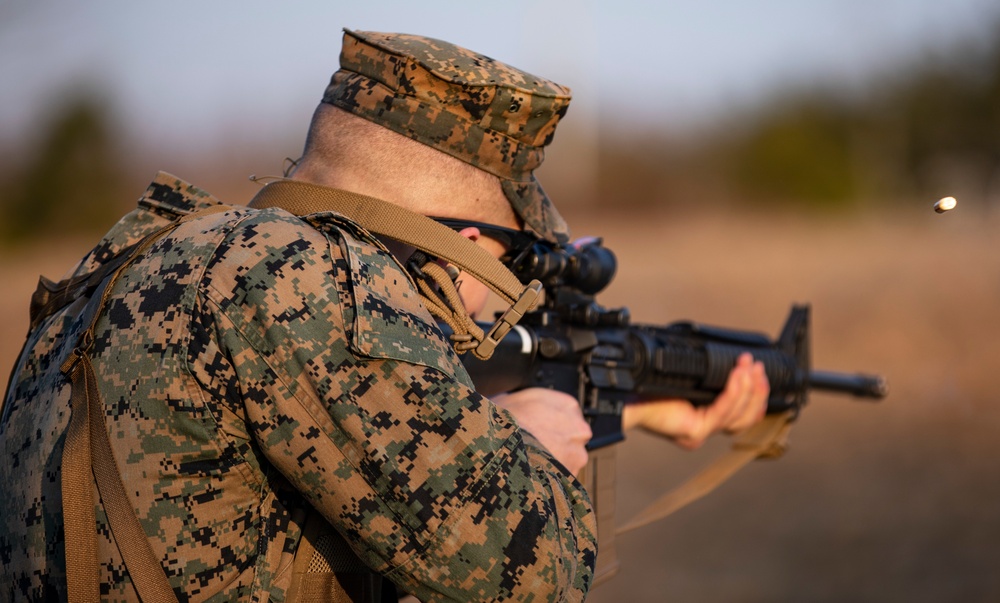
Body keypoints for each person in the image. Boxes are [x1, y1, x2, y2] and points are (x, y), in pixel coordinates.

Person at [0, 29, 768, 602]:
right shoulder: (308, 278)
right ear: (469, 244)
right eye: (507, 270)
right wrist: (529, 441)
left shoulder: (147, 257)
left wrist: (626, 413)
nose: (496, 307)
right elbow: (532, 574)